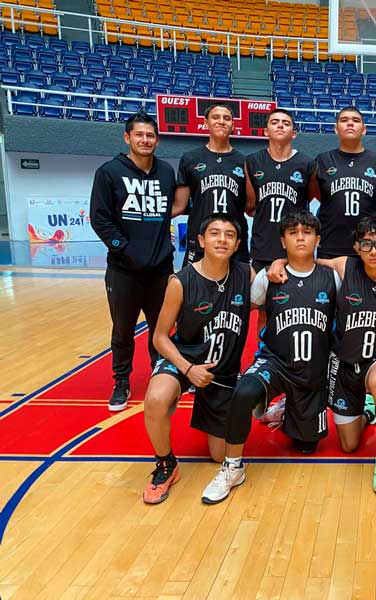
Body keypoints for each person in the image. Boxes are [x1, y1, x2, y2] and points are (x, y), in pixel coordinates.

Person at [269, 215, 376, 494]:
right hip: (344, 365)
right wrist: (278, 262)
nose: (373, 250)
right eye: (366, 244)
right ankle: (372, 411)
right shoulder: (344, 266)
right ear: (356, 248)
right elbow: (305, 261)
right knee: (348, 444)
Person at [200, 211, 337, 505]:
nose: (300, 237)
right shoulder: (268, 277)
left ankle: (289, 408)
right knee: (244, 391)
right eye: (293, 232)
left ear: (318, 239)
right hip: (275, 363)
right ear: (283, 241)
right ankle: (233, 467)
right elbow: (242, 308)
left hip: (312, 372)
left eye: (307, 232)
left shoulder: (331, 278)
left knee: (307, 446)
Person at [141, 214, 252, 504]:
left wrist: (277, 266)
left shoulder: (245, 274)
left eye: (229, 235)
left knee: (219, 456)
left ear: (238, 243)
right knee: (156, 399)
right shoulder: (181, 281)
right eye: (214, 233)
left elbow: (275, 278)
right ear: (201, 240)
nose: (222, 239)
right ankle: (166, 465)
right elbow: (160, 337)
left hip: (222, 372)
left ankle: (211, 409)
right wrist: (187, 369)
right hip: (185, 358)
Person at [90, 112, 176, 411]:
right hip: (124, 270)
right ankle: (121, 381)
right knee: (123, 329)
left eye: (150, 135)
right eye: (139, 135)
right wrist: (124, 248)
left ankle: (161, 374)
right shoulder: (109, 172)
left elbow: (172, 211)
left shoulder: (166, 172)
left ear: (157, 139)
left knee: (161, 328)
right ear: (127, 137)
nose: (145, 140)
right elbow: (100, 218)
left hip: (160, 269)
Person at [172, 103, 249, 266]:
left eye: (226, 118)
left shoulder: (245, 162)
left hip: (233, 242)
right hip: (199, 241)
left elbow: (250, 205)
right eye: (215, 117)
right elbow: (179, 206)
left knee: (235, 290)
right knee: (193, 290)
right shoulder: (190, 159)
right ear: (205, 123)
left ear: (233, 125)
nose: (221, 121)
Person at [244, 108, 318, 276]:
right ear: (265, 131)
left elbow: (311, 196)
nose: (280, 126)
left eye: (286, 123)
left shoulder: (307, 164)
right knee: (258, 300)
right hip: (262, 247)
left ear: (294, 134)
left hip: (296, 248)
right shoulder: (252, 161)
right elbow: (250, 206)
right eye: (274, 122)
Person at [314, 107, 376, 259]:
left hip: (370, 247)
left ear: (364, 130)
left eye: (355, 121)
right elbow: (316, 194)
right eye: (344, 120)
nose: (350, 124)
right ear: (336, 129)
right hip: (331, 244)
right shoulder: (322, 160)